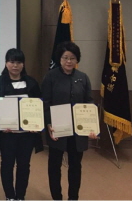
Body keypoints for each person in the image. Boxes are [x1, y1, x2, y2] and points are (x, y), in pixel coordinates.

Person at [42, 41, 97, 201]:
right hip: (57, 127)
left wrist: (91, 126)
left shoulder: (83, 77)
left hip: (78, 130)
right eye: (65, 57)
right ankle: (56, 197)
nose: (68, 61)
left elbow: (89, 101)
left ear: (77, 59)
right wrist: (48, 123)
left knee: (75, 166)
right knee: (54, 165)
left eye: (72, 58)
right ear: (59, 59)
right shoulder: (50, 77)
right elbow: (45, 102)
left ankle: (73, 197)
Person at [0, 48, 43, 201]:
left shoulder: (31, 83)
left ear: (23, 64)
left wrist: (35, 124)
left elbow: (39, 105)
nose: (15, 66)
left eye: (18, 62)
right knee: (7, 164)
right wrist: (3, 121)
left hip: (27, 134)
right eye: (12, 62)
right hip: (7, 133)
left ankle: (20, 196)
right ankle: (10, 196)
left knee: (24, 165)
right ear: (6, 63)